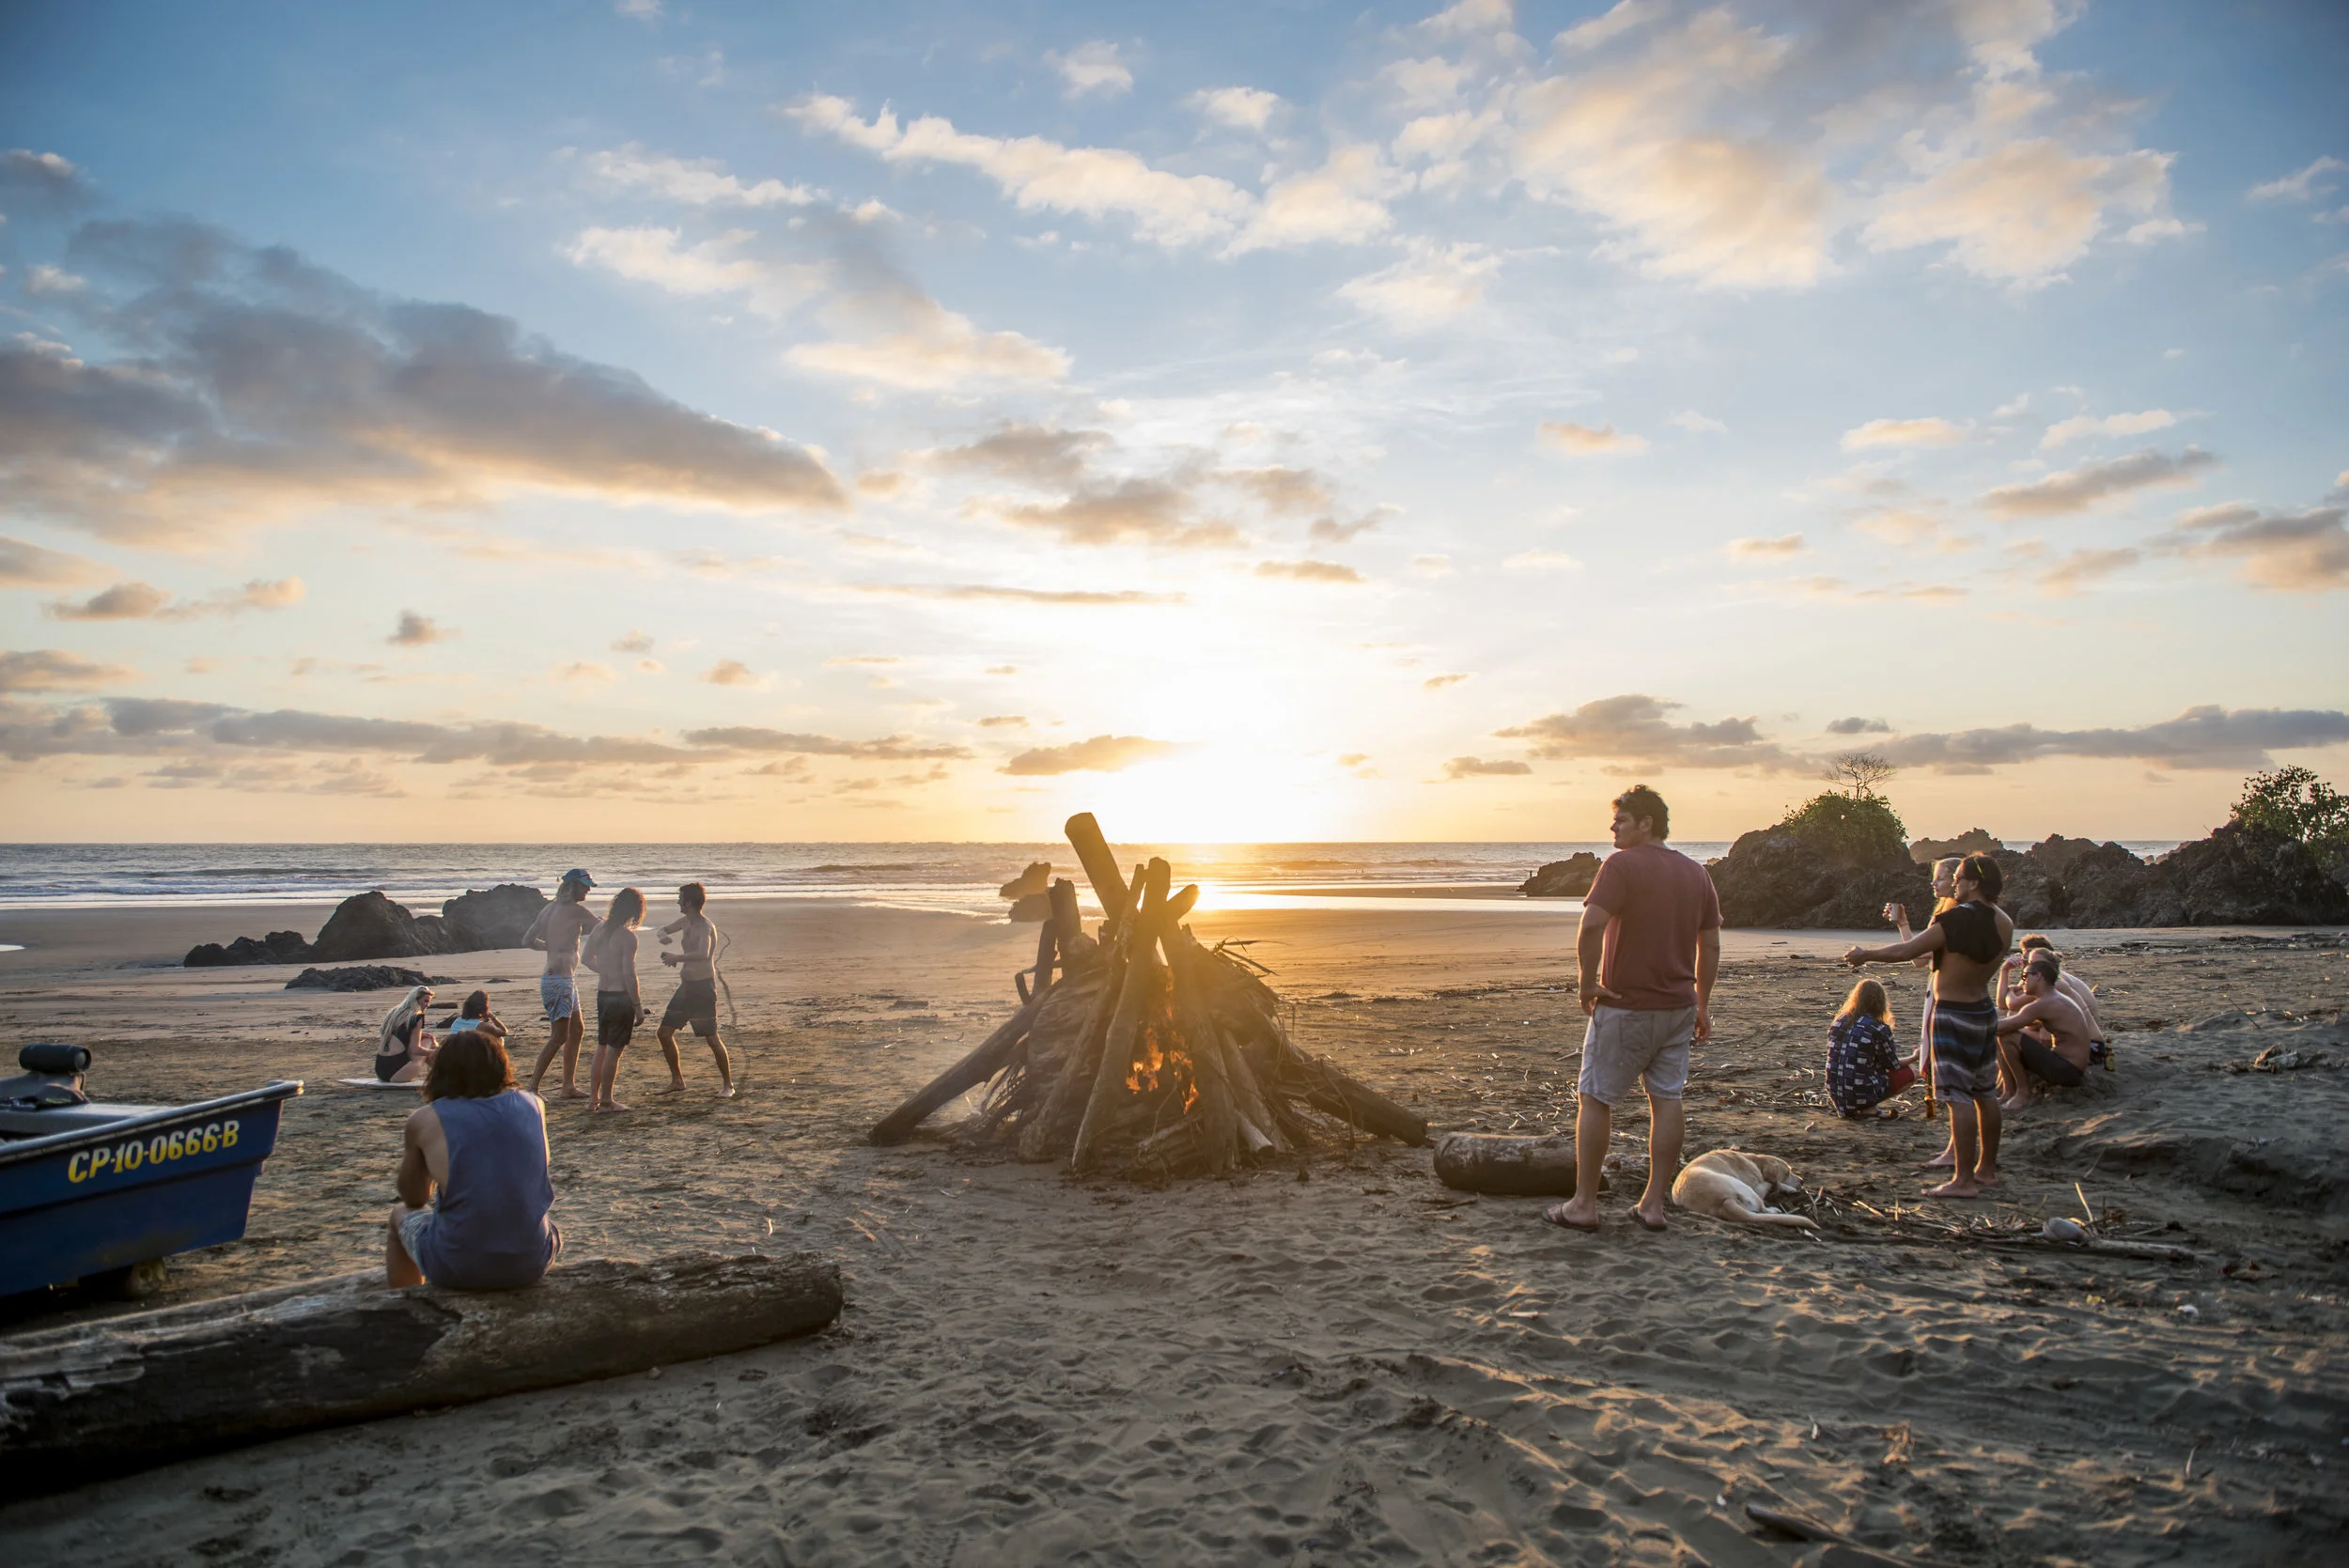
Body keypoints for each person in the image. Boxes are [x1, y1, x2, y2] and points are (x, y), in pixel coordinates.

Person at [1543, 784, 1720, 1235]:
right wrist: (1702, 1003)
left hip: (1627, 1005)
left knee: (1595, 1097)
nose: (1613, 827)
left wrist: (1587, 981)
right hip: (1679, 1007)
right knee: (1667, 1099)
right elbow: (1711, 944)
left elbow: (1591, 926)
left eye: (1621, 819)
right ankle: (1653, 1205)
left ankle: (1584, 1205)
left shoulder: (1621, 866)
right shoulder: (1696, 873)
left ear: (1646, 823)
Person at [1844, 852, 2014, 1199]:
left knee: (1957, 1097)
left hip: (1953, 1013)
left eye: (1959, 878)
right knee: (1985, 1093)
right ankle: (1986, 1171)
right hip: (1983, 1011)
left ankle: (1963, 1181)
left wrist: (1866, 954)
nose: (1955, 884)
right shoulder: (2004, 921)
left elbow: (1908, 952)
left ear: (1974, 883)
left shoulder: (1955, 919)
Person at [385, 1030, 561, 1289]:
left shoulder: (424, 1119)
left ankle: (406, 1303)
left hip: (458, 1265)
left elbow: (414, 1198)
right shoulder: (534, 1104)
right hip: (533, 1260)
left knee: (400, 1214)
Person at [522, 869, 599, 1100]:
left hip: (562, 979)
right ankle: (533, 1087)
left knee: (577, 1030)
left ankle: (568, 1086)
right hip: (559, 981)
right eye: (585, 885)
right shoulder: (575, 910)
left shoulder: (548, 909)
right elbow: (602, 928)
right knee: (558, 1036)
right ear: (573, 886)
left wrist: (549, 946)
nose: (588, 889)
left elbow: (527, 940)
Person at [654, 882, 735, 1098]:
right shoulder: (685, 921)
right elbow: (663, 929)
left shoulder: (704, 926)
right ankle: (677, 1081)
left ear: (689, 903)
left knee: (712, 1038)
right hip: (686, 987)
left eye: (680, 898)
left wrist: (676, 957)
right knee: (664, 1033)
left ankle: (728, 1085)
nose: (678, 902)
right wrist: (663, 937)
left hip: (702, 988)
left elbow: (703, 953)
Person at [1993, 952, 2095, 1110]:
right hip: (2068, 1064)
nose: (2023, 982)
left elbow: (2003, 1027)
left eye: (2025, 976)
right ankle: (2009, 1091)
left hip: (2068, 1071)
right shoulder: (2053, 997)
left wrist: (1969, 1023)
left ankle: (2022, 1093)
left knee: (2007, 1036)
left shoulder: (2045, 1003)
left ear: (2039, 976)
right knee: (2005, 1035)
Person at [583, 886, 646, 1113]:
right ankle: (607, 1101)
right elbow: (629, 974)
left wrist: (605, 971)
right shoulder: (627, 937)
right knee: (613, 1051)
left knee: (601, 1047)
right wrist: (638, 1006)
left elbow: (586, 958)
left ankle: (593, 1099)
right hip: (620, 997)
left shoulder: (599, 928)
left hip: (603, 994)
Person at [2010, 934, 2109, 1069]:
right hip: (2080, 1038)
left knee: (2010, 1035)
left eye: (2031, 956)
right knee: (2011, 1025)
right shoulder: (2044, 977)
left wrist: (2044, 1027)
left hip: (2086, 1044)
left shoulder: (2055, 981)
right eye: (2024, 954)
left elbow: (2014, 1005)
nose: (2026, 959)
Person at [1826, 978, 1917, 1116]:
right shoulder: (1878, 1027)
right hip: (1861, 1091)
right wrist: (1915, 1057)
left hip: (1836, 1091)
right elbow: (1893, 1065)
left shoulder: (1839, 1021)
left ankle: (1855, 1107)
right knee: (1912, 1072)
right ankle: (1869, 1109)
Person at [373, 985, 436, 1084]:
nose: (428, 1005)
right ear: (416, 1000)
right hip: (398, 1074)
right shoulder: (416, 1018)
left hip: (380, 1070)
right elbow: (416, 1050)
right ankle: (442, 1073)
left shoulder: (394, 1013)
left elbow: (399, 1035)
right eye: (425, 1001)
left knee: (424, 1038)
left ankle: (441, 1073)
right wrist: (437, 1052)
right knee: (427, 1041)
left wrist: (421, 1035)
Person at [440, 989, 508, 1046]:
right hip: (468, 1054)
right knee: (499, 1039)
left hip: (453, 1052)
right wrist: (493, 1017)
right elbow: (504, 1031)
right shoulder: (483, 1026)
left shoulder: (457, 1021)